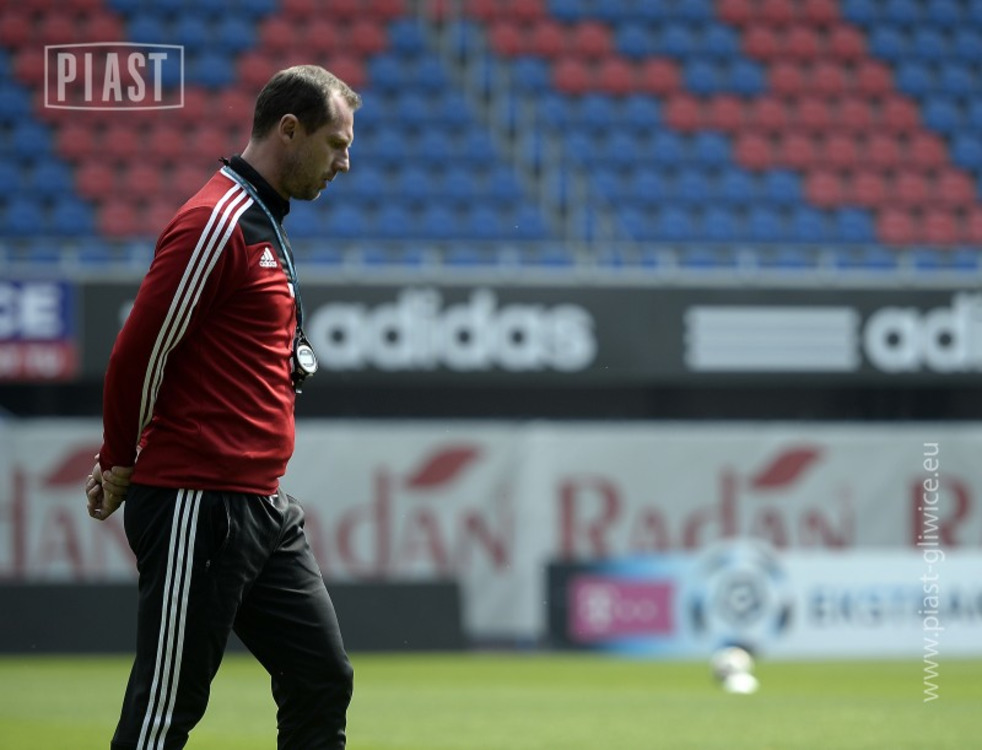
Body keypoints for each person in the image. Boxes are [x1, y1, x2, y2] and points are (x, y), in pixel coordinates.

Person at [85, 65, 360, 750]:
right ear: (289, 130)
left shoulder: (262, 219)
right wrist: (118, 460)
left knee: (321, 677)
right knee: (165, 712)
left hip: (261, 504)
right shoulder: (217, 221)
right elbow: (137, 354)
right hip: (198, 500)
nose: (345, 163)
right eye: (336, 144)